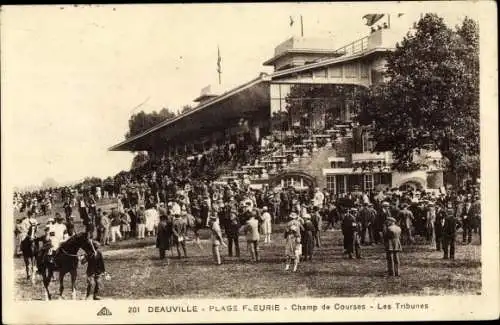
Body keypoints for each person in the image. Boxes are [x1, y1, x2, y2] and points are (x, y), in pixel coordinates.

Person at [81, 233, 105, 300]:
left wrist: (102, 271)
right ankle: (88, 296)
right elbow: (82, 262)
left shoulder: (99, 253)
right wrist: (84, 257)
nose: (97, 248)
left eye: (97, 247)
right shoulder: (89, 254)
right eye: (96, 246)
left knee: (98, 283)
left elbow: (101, 262)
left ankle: (95, 295)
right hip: (90, 270)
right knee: (90, 283)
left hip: (98, 270)